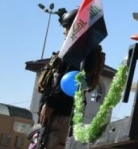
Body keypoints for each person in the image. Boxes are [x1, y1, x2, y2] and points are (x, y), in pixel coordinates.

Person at [34, 9, 100, 149]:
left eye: (67, 27)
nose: (64, 32)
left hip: (61, 113)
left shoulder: (78, 50)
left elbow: (69, 80)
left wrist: (50, 102)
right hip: (63, 112)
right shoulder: (81, 48)